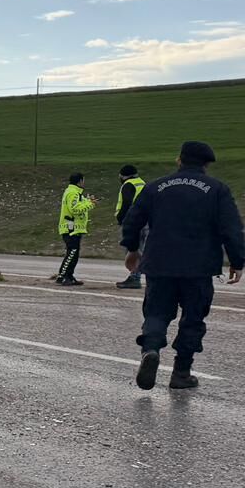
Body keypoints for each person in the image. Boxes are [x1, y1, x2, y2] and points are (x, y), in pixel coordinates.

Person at [121, 141, 244, 391]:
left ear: (179, 159)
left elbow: (132, 220)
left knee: (156, 312)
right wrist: (237, 260)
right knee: (193, 319)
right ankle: (181, 372)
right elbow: (231, 228)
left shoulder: (156, 187)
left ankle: (151, 349)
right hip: (198, 267)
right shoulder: (217, 189)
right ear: (207, 164)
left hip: (159, 263)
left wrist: (132, 249)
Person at [54, 172, 95, 286]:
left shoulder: (75, 193)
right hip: (70, 227)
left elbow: (77, 205)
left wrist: (87, 201)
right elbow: (74, 209)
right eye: (83, 180)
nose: (84, 183)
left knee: (74, 253)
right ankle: (63, 276)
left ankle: (69, 275)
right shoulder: (73, 193)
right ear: (80, 181)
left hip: (74, 228)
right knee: (72, 252)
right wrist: (90, 204)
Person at [113, 164, 147, 289]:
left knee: (132, 250)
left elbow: (127, 202)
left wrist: (121, 218)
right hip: (145, 220)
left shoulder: (128, 185)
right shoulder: (142, 183)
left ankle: (135, 277)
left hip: (132, 221)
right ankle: (137, 276)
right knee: (141, 249)